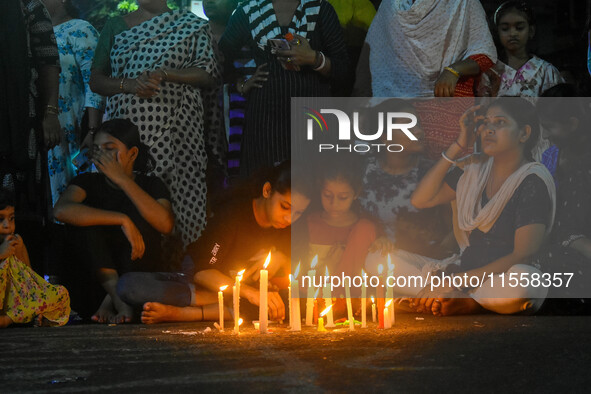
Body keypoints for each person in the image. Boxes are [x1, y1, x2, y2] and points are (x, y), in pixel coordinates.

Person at [89, 0, 225, 246]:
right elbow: (96, 81)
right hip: (126, 131)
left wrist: (165, 74)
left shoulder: (192, 26)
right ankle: (129, 255)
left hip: (179, 132)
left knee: (176, 198)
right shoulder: (116, 25)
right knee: (128, 190)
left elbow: (208, 74)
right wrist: (129, 85)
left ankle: (174, 264)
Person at [407, 97, 556, 316]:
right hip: (464, 268)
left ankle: (468, 301)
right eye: (485, 122)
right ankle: (447, 295)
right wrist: (459, 144)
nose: (488, 129)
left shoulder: (532, 180)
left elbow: (523, 254)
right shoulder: (473, 170)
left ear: (524, 133)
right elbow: (421, 200)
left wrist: (455, 281)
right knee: (378, 260)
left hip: (502, 277)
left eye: (500, 123)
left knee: (525, 284)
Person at [117, 161, 312, 324]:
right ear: (267, 190)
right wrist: (249, 293)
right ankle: (200, 305)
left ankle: (187, 312)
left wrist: (282, 259)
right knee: (130, 286)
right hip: (202, 282)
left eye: (298, 213)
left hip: (244, 297)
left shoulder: (289, 230)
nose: (289, 219)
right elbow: (203, 271)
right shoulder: (233, 215)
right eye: (285, 207)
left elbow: (298, 276)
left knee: (301, 303)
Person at [53, 119, 174, 324]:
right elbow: (61, 210)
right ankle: (118, 298)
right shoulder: (86, 182)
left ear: (132, 154)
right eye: (97, 149)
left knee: (145, 221)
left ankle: (112, 300)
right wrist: (121, 220)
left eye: (110, 149)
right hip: (95, 279)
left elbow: (165, 224)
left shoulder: (151, 184)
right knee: (83, 226)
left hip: (136, 276)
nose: (102, 155)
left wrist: (122, 180)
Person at [219, 0, 350, 176]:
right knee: (264, 187)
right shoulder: (250, 11)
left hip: (313, 120)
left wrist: (314, 59)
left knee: (311, 186)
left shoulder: (319, 10)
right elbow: (219, 58)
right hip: (264, 123)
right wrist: (241, 85)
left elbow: (345, 71)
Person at [358, 99, 456, 261]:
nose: (418, 131)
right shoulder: (364, 171)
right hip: (376, 260)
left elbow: (456, 227)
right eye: (408, 126)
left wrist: (439, 260)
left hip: (426, 265)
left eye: (418, 124)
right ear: (385, 137)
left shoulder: (433, 173)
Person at [41, 0, 104, 208]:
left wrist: (93, 130)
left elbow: (93, 84)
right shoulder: (34, 36)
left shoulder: (81, 30)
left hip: (70, 132)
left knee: (66, 193)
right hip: (38, 130)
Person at [531, 96, 591, 312]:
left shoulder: (584, 167)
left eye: (549, 127)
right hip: (567, 244)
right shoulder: (550, 157)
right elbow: (560, 223)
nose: (545, 135)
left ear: (573, 124)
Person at [0, 189, 70, 328]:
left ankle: (20, 317)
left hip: (15, 305)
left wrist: (17, 252)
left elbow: (30, 281)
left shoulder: (16, 241)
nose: (7, 226)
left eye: (11, 218)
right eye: (0, 219)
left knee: (61, 295)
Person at [482, 1, 563, 98]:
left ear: (531, 31)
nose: (512, 33)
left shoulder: (547, 72)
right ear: (497, 32)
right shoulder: (489, 72)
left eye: (519, 28)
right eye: (505, 29)